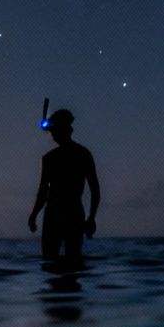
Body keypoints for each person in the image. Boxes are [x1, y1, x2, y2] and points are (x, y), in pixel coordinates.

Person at [27, 107, 100, 261]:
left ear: (66, 131)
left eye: (55, 131)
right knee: (71, 262)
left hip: (59, 214)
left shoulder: (53, 158)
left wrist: (34, 215)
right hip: (70, 213)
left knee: (51, 261)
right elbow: (95, 189)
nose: (53, 135)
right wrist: (91, 217)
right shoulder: (81, 154)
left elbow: (94, 189)